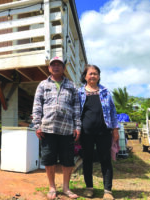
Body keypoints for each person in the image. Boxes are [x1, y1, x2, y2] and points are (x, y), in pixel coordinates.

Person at [32, 56, 81, 199]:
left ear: (63, 68)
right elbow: (37, 106)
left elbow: (77, 107)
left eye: (59, 64)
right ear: (49, 68)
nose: (56, 67)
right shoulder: (42, 85)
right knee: (49, 159)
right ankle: (52, 187)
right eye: (53, 64)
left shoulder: (72, 86)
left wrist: (77, 126)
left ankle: (66, 187)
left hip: (67, 129)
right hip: (47, 128)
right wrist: (37, 125)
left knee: (68, 160)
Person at [78, 65, 119, 200]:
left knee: (105, 159)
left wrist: (115, 129)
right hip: (86, 133)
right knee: (87, 159)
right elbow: (76, 112)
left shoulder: (106, 92)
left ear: (99, 76)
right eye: (90, 74)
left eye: (95, 74)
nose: (93, 76)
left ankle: (107, 190)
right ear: (85, 76)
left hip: (104, 132)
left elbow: (113, 111)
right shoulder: (79, 93)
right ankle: (89, 188)